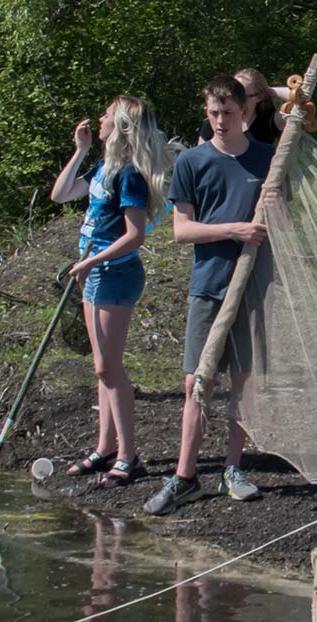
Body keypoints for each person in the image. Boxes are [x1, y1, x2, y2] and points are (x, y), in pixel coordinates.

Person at [143, 76, 277, 516]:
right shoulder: (193, 162)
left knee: (243, 380)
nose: (221, 121)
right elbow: (182, 230)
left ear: (245, 112)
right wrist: (234, 230)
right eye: (213, 113)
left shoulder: (266, 160)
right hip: (209, 283)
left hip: (253, 286)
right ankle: (185, 477)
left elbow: (283, 222)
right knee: (196, 382)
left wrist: (275, 206)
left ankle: (232, 469)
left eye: (228, 112)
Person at [51, 95, 175, 486]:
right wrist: (81, 150)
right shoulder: (105, 167)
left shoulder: (130, 176)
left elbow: (135, 236)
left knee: (109, 367)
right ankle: (105, 448)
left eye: (106, 114)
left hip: (115, 275)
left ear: (120, 125)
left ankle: (128, 454)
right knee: (101, 367)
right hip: (94, 275)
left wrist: (90, 262)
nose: (99, 117)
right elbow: (60, 194)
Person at [198, 68, 289, 145]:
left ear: (259, 96)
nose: (237, 100)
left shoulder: (270, 121)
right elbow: (198, 159)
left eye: (242, 95)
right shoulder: (213, 123)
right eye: (233, 94)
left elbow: (302, 98)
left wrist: (269, 90)